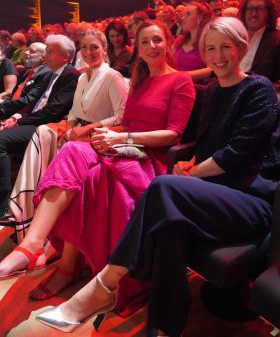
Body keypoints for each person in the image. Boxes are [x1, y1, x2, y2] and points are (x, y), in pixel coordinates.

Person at [35, 17, 280, 335]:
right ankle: (163, 328)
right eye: (211, 49)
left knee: (163, 186)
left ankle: (104, 285)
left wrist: (190, 171)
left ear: (242, 47)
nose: (218, 56)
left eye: (226, 47)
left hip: (251, 202)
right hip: (213, 193)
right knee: (166, 228)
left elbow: (236, 155)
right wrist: (191, 162)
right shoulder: (217, 89)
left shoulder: (258, 88)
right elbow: (208, 146)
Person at [0, 20, 195, 319]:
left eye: (157, 40)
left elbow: (173, 135)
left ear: (168, 42)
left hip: (148, 155)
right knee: (73, 150)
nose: (151, 47)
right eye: (144, 42)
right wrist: (108, 135)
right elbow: (125, 121)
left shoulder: (180, 80)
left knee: (94, 176)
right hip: (124, 144)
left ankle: (65, 265)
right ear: (138, 49)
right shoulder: (140, 80)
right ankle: (32, 245)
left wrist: (122, 137)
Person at [8, 29, 127, 241]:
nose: (89, 52)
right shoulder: (82, 78)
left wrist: (86, 129)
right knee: (44, 135)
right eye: (84, 47)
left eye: (94, 47)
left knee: (45, 136)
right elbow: (73, 112)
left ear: (104, 49)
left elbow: (121, 116)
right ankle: (24, 211)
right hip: (77, 131)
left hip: (98, 135)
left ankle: (38, 223)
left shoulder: (112, 76)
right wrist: (71, 127)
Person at [0, 34, 79, 218]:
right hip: (35, 121)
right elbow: (34, 105)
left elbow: (53, 111)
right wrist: (15, 118)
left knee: (1, 141)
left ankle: (4, 205)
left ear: (65, 57)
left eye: (50, 52)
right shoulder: (52, 73)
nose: (46, 56)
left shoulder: (70, 75)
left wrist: (19, 121)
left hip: (48, 126)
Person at [238, 0, 280, 83]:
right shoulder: (235, 37)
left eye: (260, 9)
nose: (254, 14)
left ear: (268, 13)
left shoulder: (277, 40)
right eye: (250, 8)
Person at [172, 1, 213, 82]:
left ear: (200, 17)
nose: (183, 17)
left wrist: (182, 76)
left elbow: (212, 69)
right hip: (175, 84)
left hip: (196, 88)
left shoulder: (208, 41)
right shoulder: (179, 40)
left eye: (188, 14)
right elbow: (168, 61)